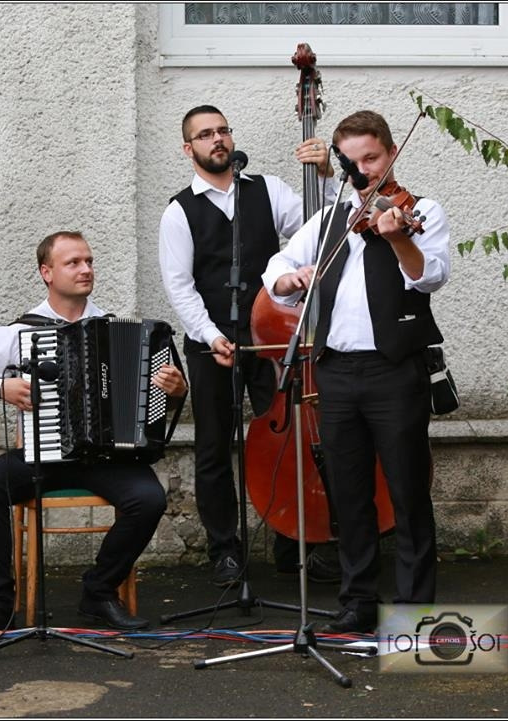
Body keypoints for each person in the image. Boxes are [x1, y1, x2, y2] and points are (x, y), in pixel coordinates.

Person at [262, 110, 451, 633]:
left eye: (372, 158)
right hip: (336, 372)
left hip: (394, 371)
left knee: (407, 492)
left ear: (390, 153)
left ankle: (413, 612)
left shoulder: (420, 211)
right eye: (352, 162)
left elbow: (430, 276)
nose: (363, 170)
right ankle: (358, 601)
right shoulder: (331, 219)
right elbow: (277, 266)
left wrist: (399, 238)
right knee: (348, 493)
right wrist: (289, 280)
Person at [0, 231, 187, 634]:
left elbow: (156, 399)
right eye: (73, 262)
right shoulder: (19, 332)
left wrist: (175, 388)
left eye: (89, 261)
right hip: (42, 455)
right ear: (47, 272)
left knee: (149, 499)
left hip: (106, 458)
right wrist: (0, 387)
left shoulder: (115, 328)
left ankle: (99, 591)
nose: (85, 269)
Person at [158, 104, 339, 587]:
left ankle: (294, 543)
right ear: (188, 149)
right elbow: (180, 287)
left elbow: (319, 232)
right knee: (214, 449)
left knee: (285, 442)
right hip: (211, 342)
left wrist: (324, 176)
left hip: (272, 339)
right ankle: (224, 550)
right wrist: (211, 335)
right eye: (205, 134)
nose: (217, 139)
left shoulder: (269, 190)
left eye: (222, 130)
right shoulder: (179, 211)